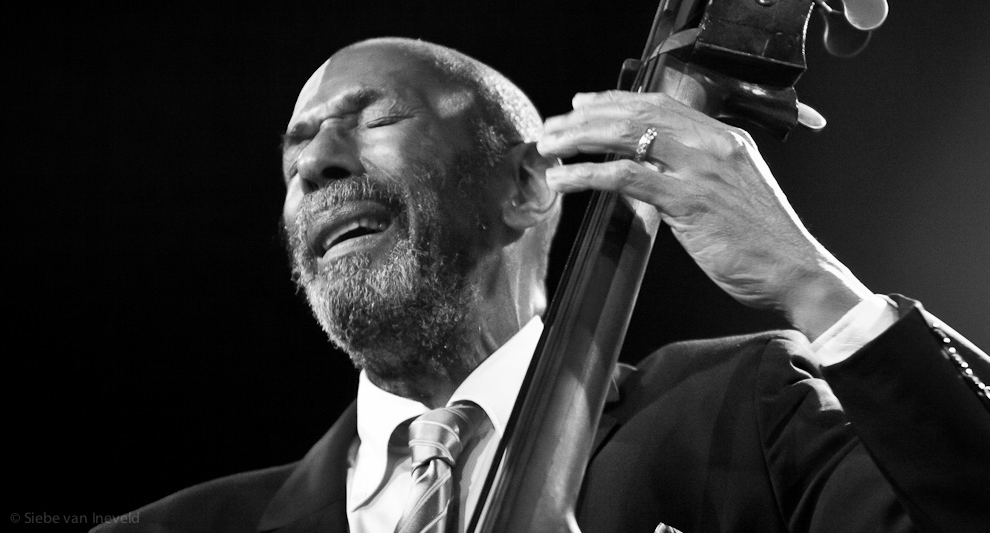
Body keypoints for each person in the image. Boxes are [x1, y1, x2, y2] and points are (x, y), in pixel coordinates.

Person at [94, 38, 989, 533]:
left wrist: (813, 283)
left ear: (526, 186)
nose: (318, 166)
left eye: (376, 120)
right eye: (295, 153)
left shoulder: (749, 412)